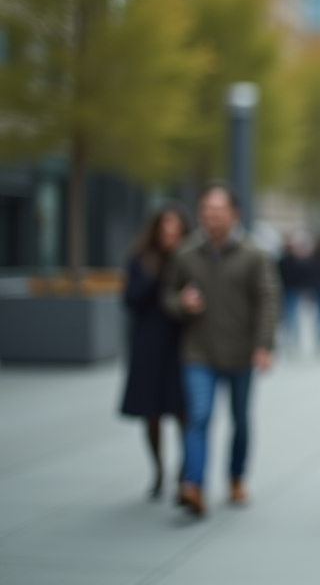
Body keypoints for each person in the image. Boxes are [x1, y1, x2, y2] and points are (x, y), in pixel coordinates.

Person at [163, 183, 280, 517]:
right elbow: (167, 296)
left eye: (217, 212)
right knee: (198, 416)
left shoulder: (254, 254)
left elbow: (268, 301)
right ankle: (194, 486)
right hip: (198, 351)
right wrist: (181, 303)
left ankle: (236, 477)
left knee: (239, 420)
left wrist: (263, 346)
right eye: (205, 212)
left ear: (234, 215)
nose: (210, 218)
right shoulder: (186, 253)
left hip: (242, 351)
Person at [119, 204, 191, 500]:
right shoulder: (141, 260)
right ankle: (158, 469)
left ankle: (186, 470)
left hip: (181, 343)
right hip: (148, 344)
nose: (170, 235)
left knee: (183, 410)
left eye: (176, 230)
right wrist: (155, 276)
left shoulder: (189, 260)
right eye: (165, 229)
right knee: (151, 411)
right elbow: (131, 300)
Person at [277, 233, 313, 352]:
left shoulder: (283, 260)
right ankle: (292, 337)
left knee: (289, 314)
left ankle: (291, 337)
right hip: (291, 289)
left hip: (288, 289)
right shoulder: (292, 260)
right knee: (292, 314)